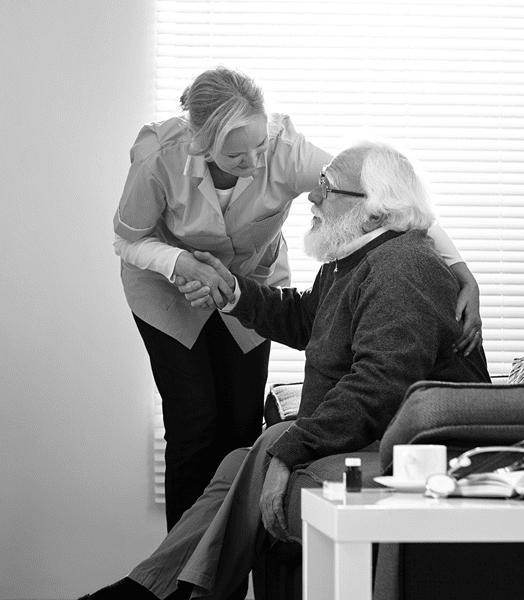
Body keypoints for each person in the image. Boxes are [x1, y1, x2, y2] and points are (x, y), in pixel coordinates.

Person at [84, 140, 491, 600]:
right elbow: (307, 321)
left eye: (329, 190)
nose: (313, 199)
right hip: (380, 433)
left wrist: (292, 451)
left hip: (416, 449)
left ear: (377, 213)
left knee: (269, 445)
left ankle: (145, 595)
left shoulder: (402, 269)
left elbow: (378, 385)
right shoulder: (355, 258)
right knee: (238, 463)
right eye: (318, 185)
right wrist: (233, 291)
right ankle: (155, 591)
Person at [114, 65, 482, 530]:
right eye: (236, 156)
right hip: (166, 283)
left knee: (239, 435)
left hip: (249, 277)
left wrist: (461, 270)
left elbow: (388, 195)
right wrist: (180, 264)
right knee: (194, 425)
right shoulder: (160, 157)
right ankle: (177, 584)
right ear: (202, 147)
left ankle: (174, 583)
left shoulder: (392, 263)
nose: (255, 164)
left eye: (258, 147)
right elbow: (127, 240)